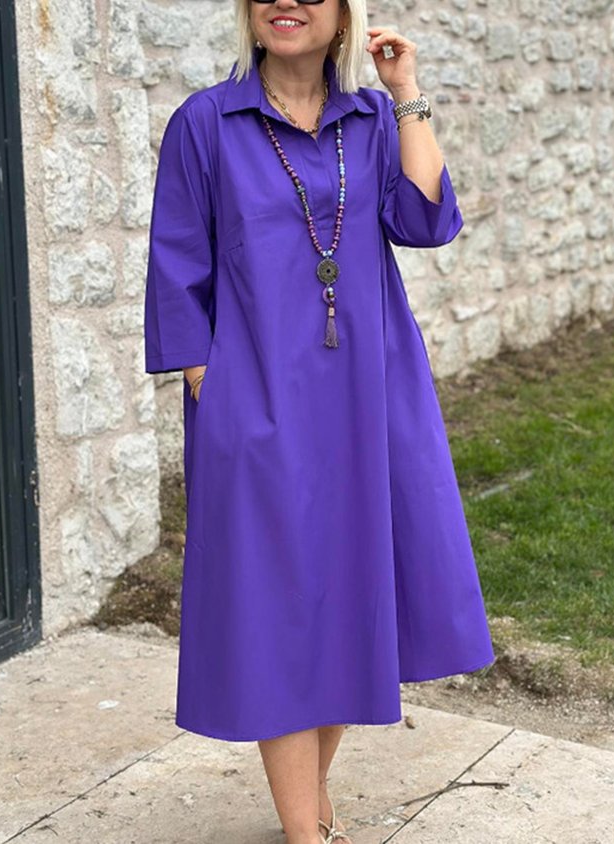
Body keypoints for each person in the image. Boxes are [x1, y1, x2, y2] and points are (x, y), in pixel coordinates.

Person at [143, 1, 496, 841]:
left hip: (372, 393)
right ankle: (306, 832)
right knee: (277, 607)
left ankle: (309, 799)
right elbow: (176, 258)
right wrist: (205, 379)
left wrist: (404, 91)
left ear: (342, 14)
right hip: (256, 394)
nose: (285, 2)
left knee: (352, 596)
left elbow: (424, 221)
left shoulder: (370, 120)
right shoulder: (206, 122)